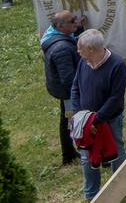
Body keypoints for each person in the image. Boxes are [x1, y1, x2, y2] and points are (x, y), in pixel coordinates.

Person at [71, 28, 126, 200]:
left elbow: (116, 98)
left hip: (109, 119)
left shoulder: (117, 65)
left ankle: (123, 189)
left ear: (91, 49)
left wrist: (95, 119)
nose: (77, 51)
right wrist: (79, 115)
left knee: (116, 153)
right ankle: (91, 195)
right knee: (86, 157)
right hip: (85, 122)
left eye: (80, 48)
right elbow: (75, 88)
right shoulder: (83, 62)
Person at [41, 10, 83, 166]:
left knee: (65, 120)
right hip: (68, 93)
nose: (76, 22)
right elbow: (68, 78)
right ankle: (76, 151)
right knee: (72, 121)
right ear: (59, 26)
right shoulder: (62, 48)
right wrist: (79, 93)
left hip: (60, 89)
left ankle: (69, 153)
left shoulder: (56, 37)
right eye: (72, 21)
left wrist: (77, 27)